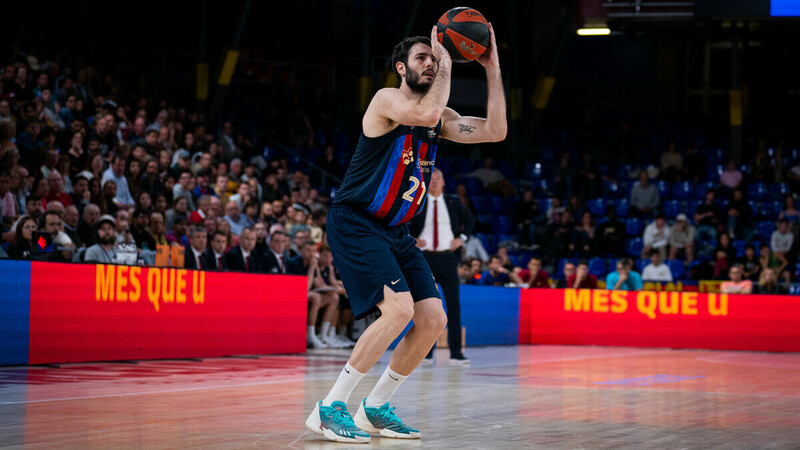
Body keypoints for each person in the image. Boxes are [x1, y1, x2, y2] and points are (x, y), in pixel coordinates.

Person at [306, 24, 506, 443]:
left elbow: (496, 131)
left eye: (435, 59)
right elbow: (426, 114)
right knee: (398, 311)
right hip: (356, 221)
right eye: (423, 59)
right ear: (402, 67)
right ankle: (329, 407)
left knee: (433, 319)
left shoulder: (440, 117)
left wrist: (491, 66)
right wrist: (449, 64)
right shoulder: (389, 99)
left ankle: (374, 407)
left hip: (396, 231)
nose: (432, 64)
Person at [408, 167, 474, 364]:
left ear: (444, 182)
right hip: (424, 259)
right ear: (427, 181)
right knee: (427, 307)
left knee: (453, 305)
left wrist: (461, 238)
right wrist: (412, 239)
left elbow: (470, 220)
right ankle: (426, 354)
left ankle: (455, 353)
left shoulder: (453, 201)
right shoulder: (417, 202)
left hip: (448, 258)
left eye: (438, 178)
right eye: (432, 178)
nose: (435, 181)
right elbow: (402, 223)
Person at [289, 241, 342, 349]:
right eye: (308, 250)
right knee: (316, 296)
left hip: (307, 295)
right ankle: (310, 335)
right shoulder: (294, 263)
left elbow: (318, 283)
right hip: (294, 295)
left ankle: (324, 335)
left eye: (313, 251)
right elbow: (306, 288)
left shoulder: (313, 263)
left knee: (334, 298)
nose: (311, 254)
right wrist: (313, 268)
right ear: (302, 251)